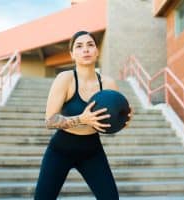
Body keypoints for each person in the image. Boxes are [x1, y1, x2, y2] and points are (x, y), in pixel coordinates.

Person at [34, 30, 133, 200]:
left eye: (90, 45)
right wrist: (81, 119)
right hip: (61, 150)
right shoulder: (65, 79)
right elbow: (50, 121)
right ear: (72, 54)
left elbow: (114, 120)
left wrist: (124, 120)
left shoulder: (108, 83)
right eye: (79, 46)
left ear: (97, 51)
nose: (85, 50)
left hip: (92, 151)